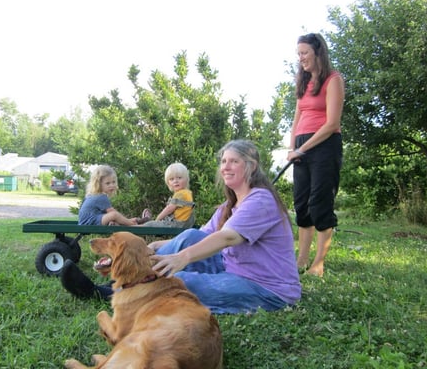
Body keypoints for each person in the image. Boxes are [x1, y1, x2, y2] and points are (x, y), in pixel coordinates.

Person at [61, 140, 301, 314]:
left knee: (183, 281)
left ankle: (111, 294)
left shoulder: (261, 199)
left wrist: (181, 258)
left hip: (267, 288)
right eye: (223, 161)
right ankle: (121, 280)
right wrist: (157, 245)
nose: (225, 166)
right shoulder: (230, 205)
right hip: (232, 268)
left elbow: (227, 238)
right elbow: (204, 236)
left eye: (234, 161)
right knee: (189, 236)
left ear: (252, 166)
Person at [287, 33, 344, 277]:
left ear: (318, 52)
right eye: (298, 54)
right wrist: (292, 148)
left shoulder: (333, 80)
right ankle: (301, 259)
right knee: (301, 204)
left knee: (320, 202)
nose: (300, 58)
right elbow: (296, 120)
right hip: (302, 145)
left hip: (324, 144)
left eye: (304, 53)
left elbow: (332, 123)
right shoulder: (303, 82)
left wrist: (304, 147)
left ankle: (318, 263)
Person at [141, 162, 195, 228]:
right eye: (172, 179)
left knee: (149, 225)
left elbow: (169, 209)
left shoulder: (180, 194)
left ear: (186, 179)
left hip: (177, 224)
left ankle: (133, 227)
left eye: (179, 178)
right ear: (168, 182)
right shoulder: (188, 192)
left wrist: (157, 219)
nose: (175, 181)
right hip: (186, 224)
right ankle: (142, 221)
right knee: (155, 223)